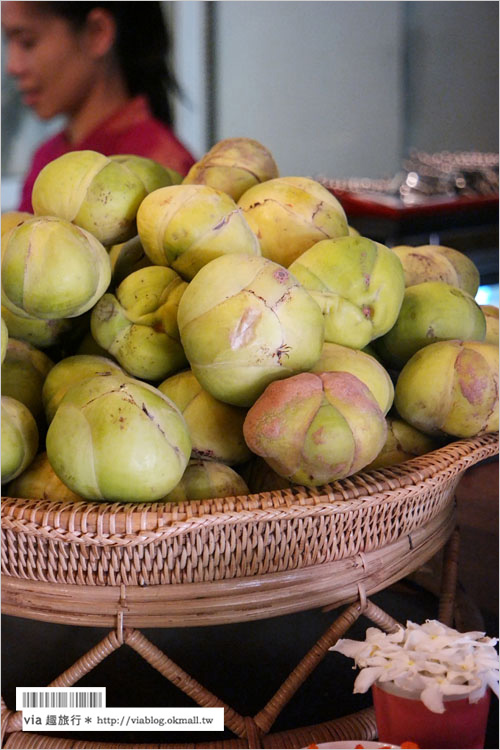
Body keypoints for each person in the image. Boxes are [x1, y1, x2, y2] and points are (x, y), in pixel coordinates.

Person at [2, 1, 196, 212]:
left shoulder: (162, 167)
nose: (12, 66)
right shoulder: (47, 156)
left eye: (27, 42)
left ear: (98, 32)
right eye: (7, 42)